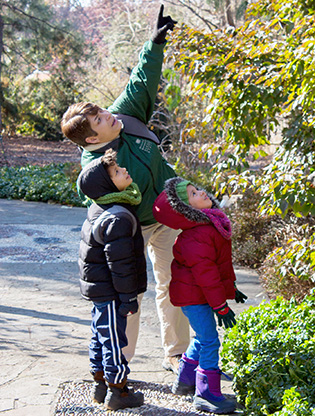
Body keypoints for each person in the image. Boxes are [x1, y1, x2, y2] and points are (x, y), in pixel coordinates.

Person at [61, 4, 190, 374]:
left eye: (103, 110)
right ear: (91, 139)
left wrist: (155, 43)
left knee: (174, 282)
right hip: (130, 231)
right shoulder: (96, 170)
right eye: (101, 119)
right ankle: (123, 360)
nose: (109, 115)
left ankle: (177, 354)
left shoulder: (126, 117)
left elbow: (142, 81)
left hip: (166, 215)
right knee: (128, 295)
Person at [152, 177, 248, 414]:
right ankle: (206, 394)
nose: (202, 192)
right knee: (210, 340)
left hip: (199, 294)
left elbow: (218, 266)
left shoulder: (209, 225)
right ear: (185, 211)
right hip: (194, 297)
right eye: (193, 195)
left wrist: (231, 288)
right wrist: (220, 306)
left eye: (196, 189)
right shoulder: (197, 236)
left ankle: (185, 380)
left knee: (202, 337)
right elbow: (206, 275)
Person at [77, 149, 147, 410]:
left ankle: (100, 385)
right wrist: (128, 296)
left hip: (100, 289)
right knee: (114, 340)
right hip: (110, 290)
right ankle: (119, 392)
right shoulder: (117, 216)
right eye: (117, 172)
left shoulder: (101, 208)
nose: (124, 171)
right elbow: (121, 263)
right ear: (107, 185)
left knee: (100, 334)